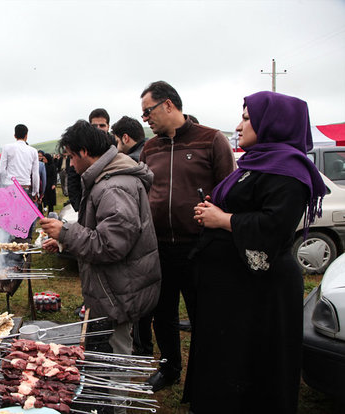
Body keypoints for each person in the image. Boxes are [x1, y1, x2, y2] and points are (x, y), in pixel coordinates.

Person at [184, 91, 325, 413]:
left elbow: (276, 225)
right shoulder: (256, 162)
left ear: (272, 123)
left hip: (258, 289)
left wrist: (223, 219)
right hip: (233, 286)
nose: (239, 125)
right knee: (226, 354)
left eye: (247, 118)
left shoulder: (289, 169)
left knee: (250, 359)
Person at [138, 81, 235, 391]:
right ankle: (169, 368)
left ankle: (203, 380)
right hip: (160, 247)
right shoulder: (150, 147)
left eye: (148, 112)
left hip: (200, 246)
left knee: (202, 316)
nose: (146, 119)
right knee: (161, 313)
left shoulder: (211, 139)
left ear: (168, 105)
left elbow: (230, 192)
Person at [40, 120, 161, 358]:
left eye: (72, 157)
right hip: (115, 286)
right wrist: (65, 242)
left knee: (117, 355)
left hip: (119, 289)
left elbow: (110, 245)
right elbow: (102, 230)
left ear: (84, 152)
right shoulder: (107, 178)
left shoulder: (113, 186)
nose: (71, 164)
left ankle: (119, 396)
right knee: (112, 348)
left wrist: (65, 232)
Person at [111, 116, 152, 355]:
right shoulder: (149, 151)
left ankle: (141, 348)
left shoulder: (130, 162)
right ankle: (143, 346)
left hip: (139, 238)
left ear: (125, 138)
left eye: (117, 140)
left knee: (138, 303)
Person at [67, 108, 113, 212]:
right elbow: (73, 179)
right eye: (94, 126)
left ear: (108, 126)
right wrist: (79, 207)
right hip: (87, 202)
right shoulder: (81, 146)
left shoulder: (115, 146)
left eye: (102, 125)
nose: (98, 129)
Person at [0, 124, 39, 199]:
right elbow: (35, 174)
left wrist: (4, 183)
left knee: (9, 210)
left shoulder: (6, 147)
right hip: (25, 186)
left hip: (10, 185)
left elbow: (2, 170)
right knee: (23, 210)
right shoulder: (33, 151)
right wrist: (35, 191)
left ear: (15, 135)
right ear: (26, 136)